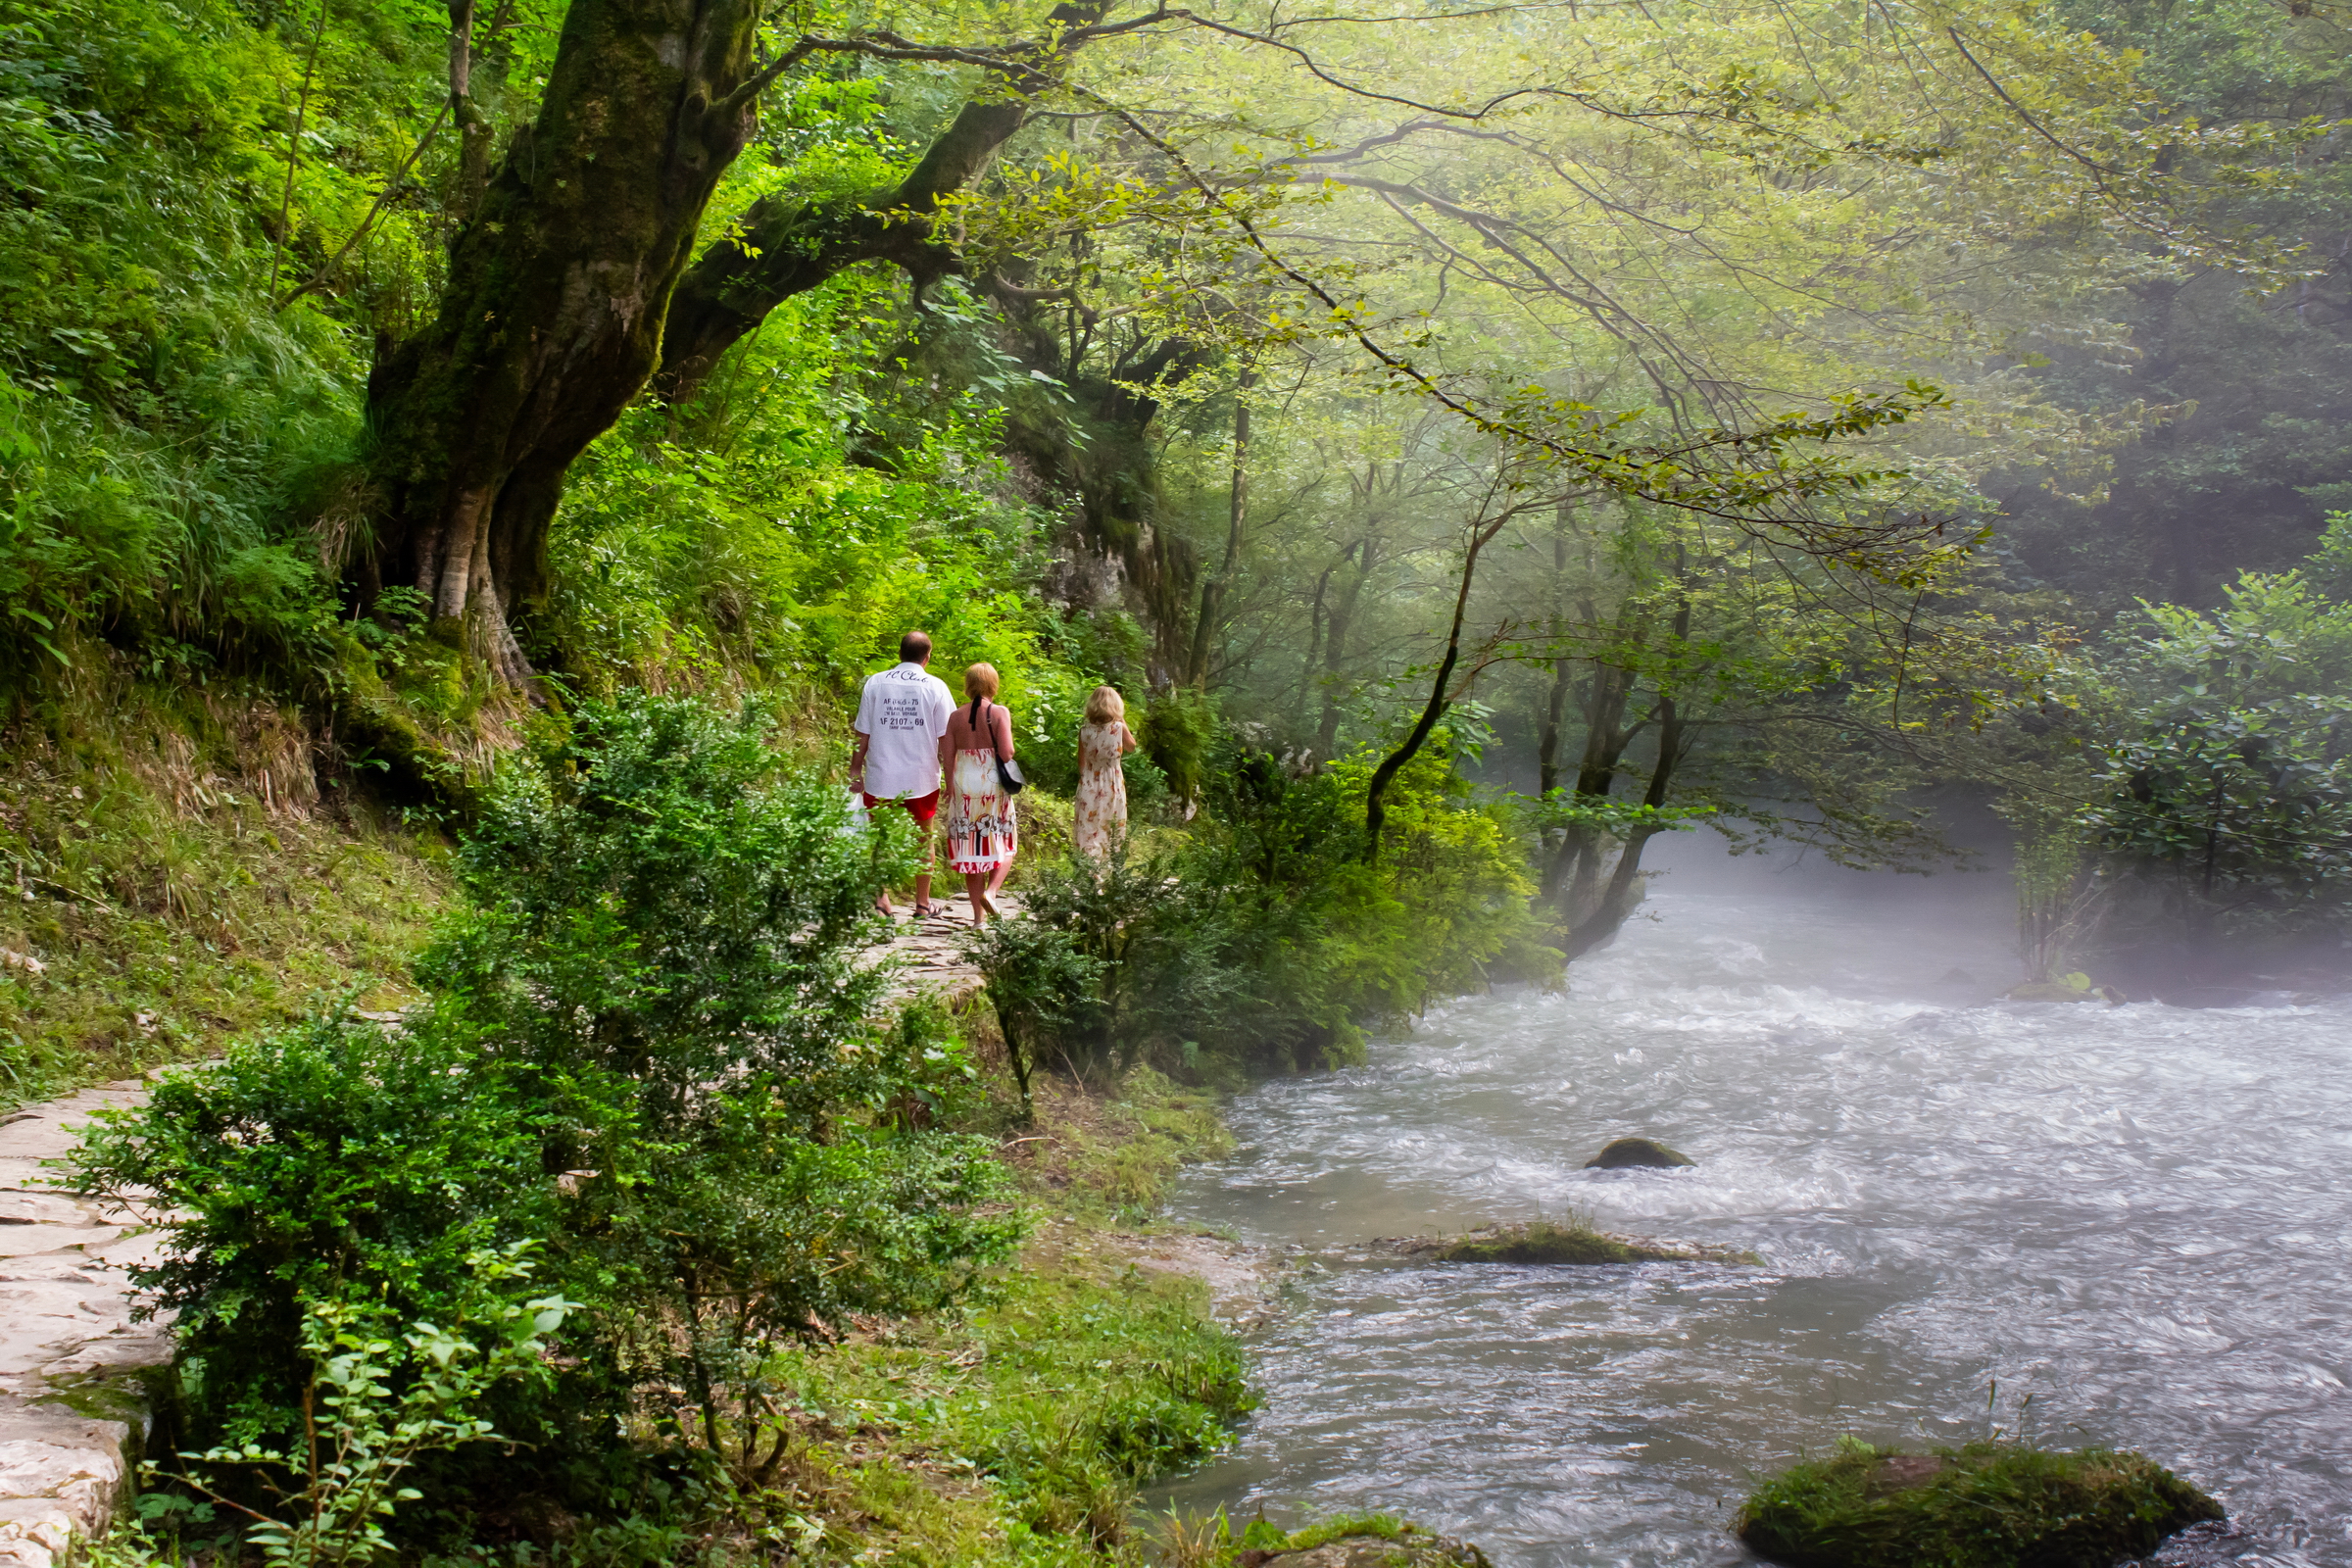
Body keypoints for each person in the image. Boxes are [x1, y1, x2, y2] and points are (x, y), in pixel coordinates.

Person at [850, 631, 956, 918]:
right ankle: (922, 903)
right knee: (924, 838)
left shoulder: (876, 683)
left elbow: (863, 732)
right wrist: (951, 774)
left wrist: (855, 768)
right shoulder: (936, 687)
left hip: (880, 776)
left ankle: (881, 899)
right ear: (927, 657)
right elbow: (946, 736)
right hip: (920, 778)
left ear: (899, 654)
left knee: (879, 838)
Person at [941, 662, 1017, 924]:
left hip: (964, 784)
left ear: (969, 684)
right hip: (991, 785)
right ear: (992, 684)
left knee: (971, 849)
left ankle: (978, 921)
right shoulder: (999, 712)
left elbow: (947, 755)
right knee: (1005, 842)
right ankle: (992, 892)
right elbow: (1006, 753)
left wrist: (949, 784)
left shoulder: (955, 717)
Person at [1072, 685, 1139, 860]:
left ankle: (1088, 872)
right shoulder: (1118, 727)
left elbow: (1081, 762)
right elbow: (1132, 746)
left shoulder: (1084, 730)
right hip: (1112, 782)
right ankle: (1110, 870)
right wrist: (1122, 719)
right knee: (1112, 826)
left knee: (1087, 828)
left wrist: (1087, 779)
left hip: (1088, 782)